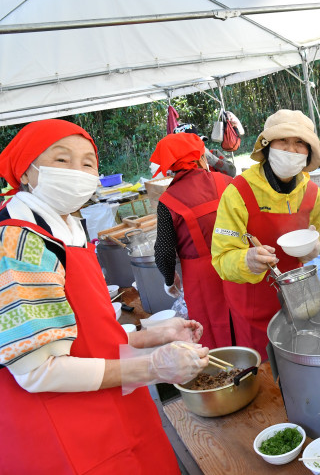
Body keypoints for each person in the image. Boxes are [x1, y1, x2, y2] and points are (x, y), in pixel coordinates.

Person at [0, 119, 209, 473]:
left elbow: (82, 335)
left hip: (111, 407)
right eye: (61, 160)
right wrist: (152, 367)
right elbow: (37, 371)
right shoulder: (17, 245)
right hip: (65, 430)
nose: (77, 171)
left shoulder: (64, 230)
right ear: (27, 171)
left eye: (87, 163)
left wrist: (150, 336)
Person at [211, 109, 320, 358]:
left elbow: (318, 235)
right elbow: (221, 258)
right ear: (266, 146)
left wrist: (314, 250)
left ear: (309, 152)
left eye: (299, 143)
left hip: (300, 300)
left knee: (304, 360)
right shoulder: (238, 191)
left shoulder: (313, 193)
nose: (290, 149)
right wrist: (248, 260)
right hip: (253, 305)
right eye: (282, 141)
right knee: (265, 375)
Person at [151, 132, 245, 348]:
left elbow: (164, 252)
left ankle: (222, 373)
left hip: (200, 278)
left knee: (211, 331)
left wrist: (169, 280)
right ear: (201, 157)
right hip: (239, 264)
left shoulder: (168, 201)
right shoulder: (228, 182)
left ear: (172, 166)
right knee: (244, 318)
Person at [173, 123, 237, 177]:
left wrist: (210, 157)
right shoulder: (180, 166)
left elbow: (232, 172)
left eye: (200, 142)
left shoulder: (214, 153)